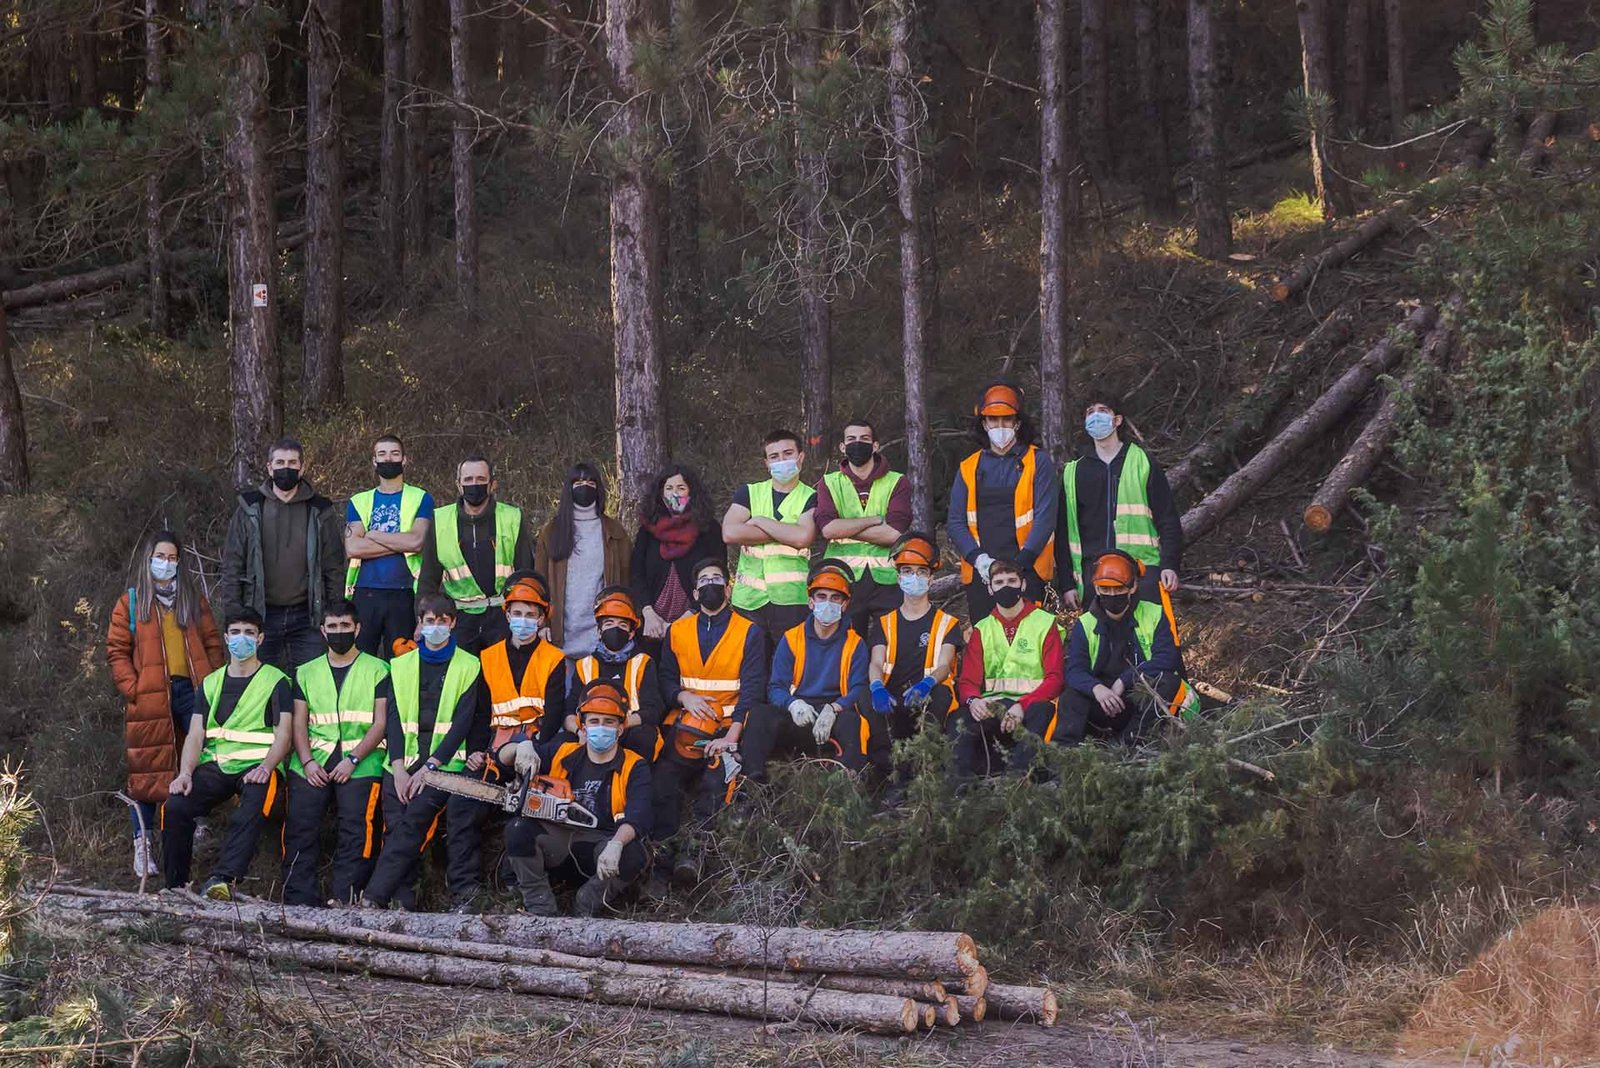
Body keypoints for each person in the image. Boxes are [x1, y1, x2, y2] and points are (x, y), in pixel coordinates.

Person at [106, 530, 224, 878]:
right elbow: (116, 652)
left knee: (199, 756)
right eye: (161, 556)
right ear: (149, 558)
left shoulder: (192, 599)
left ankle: (193, 821)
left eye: (173, 558)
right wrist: (135, 688)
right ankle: (142, 843)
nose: (166, 563)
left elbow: (213, 644)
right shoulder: (132, 602)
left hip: (192, 691)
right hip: (150, 695)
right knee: (147, 768)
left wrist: (212, 683)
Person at [361, 594, 489, 912]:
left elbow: (462, 723)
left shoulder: (469, 665)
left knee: (413, 821)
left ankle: (373, 896)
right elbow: (393, 720)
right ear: (419, 624)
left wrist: (429, 768)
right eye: (429, 621)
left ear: (453, 623)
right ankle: (403, 898)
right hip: (402, 763)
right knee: (396, 823)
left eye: (442, 621)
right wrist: (400, 767)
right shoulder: (400, 666)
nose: (435, 627)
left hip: (445, 765)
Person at [161, 608, 294, 899]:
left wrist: (268, 766)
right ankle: (174, 885)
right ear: (226, 637)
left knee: (253, 805)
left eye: (248, 633)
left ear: (260, 639)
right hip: (217, 764)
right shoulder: (210, 683)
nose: (241, 639)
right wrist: (185, 774)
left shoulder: (277, 681)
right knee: (175, 806)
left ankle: (223, 879)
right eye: (235, 633)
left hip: (259, 766)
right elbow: (196, 734)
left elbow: (284, 734)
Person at [651, 558, 766, 889]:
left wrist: (732, 736)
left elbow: (753, 690)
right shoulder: (677, 631)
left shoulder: (750, 632)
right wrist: (684, 698)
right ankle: (661, 863)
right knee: (663, 785)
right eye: (704, 579)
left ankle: (694, 855)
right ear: (695, 591)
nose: (711, 583)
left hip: (727, 728)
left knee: (717, 784)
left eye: (718, 578)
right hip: (683, 726)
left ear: (727, 588)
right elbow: (666, 679)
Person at [499, 681, 653, 916]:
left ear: (620, 728)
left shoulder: (634, 765)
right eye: (594, 721)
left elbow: (639, 816)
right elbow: (501, 758)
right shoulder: (563, 751)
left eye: (608, 722)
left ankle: (586, 904)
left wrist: (616, 844)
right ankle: (540, 908)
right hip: (558, 843)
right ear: (583, 726)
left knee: (633, 854)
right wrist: (522, 746)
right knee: (517, 829)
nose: (601, 727)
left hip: (601, 849)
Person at [281, 599, 391, 906]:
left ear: (357, 628)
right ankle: (298, 898)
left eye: (345, 626)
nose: (339, 631)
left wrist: (353, 759)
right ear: (322, 630)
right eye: (332, 626)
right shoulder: (305, 673)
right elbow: (298, 725)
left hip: (363, 761)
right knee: (301, 827)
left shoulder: (378, 669)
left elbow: (380, 723)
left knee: (357, 830)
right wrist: (307, 762)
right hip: (311, 760)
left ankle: (346, 897)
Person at [738, 564, 876, 782]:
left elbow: (858, 688)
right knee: (759, 715)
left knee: (854, 722)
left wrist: (835, 708)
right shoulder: (792, 638)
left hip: (832, 717)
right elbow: (776, 687)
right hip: (799, 715)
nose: (827, 603)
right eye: (821, 596)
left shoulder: (855, 644)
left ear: (845, 604)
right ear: (811, 602)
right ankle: (751, 782)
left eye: (835, 598)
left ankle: (848, 780)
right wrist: (793, 704)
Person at [220, 437, 345, 672]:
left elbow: (334, 566)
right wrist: (234, 612)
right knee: (258, 683)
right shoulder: (249, 508)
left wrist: (332, 611)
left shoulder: (320, 509)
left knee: (311, 684)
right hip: (260, 613)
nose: (285, 468)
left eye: (292, 462)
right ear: (269, 467)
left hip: (308, 616)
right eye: (279, 462)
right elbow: (232, 564)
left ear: (302, 467)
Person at [1056, 394, 1183, 609]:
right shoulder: (1074, 472)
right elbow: (1063, 532)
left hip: (1142, 572)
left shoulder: (1142, 462)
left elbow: (1168, 518)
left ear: (1117, 420)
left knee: (1148, 640)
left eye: (1103, 411)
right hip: (1093, 574)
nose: (1096, 416)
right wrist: (1067, 584)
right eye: (1090, 412)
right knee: (1099, 641)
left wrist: (1170, 564)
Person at [945, 383, 1058, 623]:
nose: (1000, 427)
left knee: (1030, 642)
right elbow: (955, 522)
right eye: (993, 421)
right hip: (982, 574)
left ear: (1017, 422)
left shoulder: (1038, 462)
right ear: (984, 424)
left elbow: (1045, 518)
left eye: (1006, 420)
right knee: (986, 643)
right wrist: (979, 560)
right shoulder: (968, 467)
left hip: (1028, 570)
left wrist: (1021, 564)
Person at [1063, 551, 1198, 745]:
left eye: (1118, 589)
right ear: (1096, 587)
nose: (1111, 595)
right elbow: (1075, 670)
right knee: (1071, 695)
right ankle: (1066, 753)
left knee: (1169, 683)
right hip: (1102, 700)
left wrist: (1123, 681)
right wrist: (1097, 689)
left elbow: (1168, 658)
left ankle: (1129, 744)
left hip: (1140, 698)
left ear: (1133, 586)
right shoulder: (1085, 623)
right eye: (1105, 589)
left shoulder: (1153, 613)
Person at [866, 534, 963, 801]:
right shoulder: (884, 623)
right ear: (898, 578)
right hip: (893, 696)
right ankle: (890, 780)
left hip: (928, 695)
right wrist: (876, 687)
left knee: (941, 696)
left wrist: (927, 683)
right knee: (868, 707)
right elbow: (876, 661)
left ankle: (924, 776)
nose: (914, 577)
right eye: (907, 571)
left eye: (921, 572)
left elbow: (944, 664)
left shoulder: (946, 623)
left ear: (931, 579)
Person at [951, 557, 1066, 776]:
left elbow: (1055, 678)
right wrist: (974, 700)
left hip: (1034, 703)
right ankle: (962, 785)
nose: (1006, 587)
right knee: (958, 720)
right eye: (999, 582)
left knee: (1042, 713)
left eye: (1012, 581)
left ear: (1022, 585)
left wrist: (1022, 705)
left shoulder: (1044, 623)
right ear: (990, 588)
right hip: (994, 704)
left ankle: (1020, 780)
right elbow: (968, 681)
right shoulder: (982, 629)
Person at [417, 454, 534, 654]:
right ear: (458, 485)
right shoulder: (440, 519)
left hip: (502, 617)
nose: (474, 485)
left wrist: (526, 618)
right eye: (468, 480)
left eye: (481, 479)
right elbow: (428, 576)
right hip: (458, 619)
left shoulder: (512, 517)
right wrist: (421, 619)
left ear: (492, 484)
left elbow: (525, 574)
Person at [724, 429, 817, 655]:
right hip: (748, 601)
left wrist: (760, 521)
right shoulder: (748, 492)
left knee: (789, 668)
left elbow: (803, 537)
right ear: (766, 463)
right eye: (774, 457)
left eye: (787, 454)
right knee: (750, 669)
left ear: (800, 457)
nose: (781, 461)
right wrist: (787, 532)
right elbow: (729, 532)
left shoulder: (812, 496)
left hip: (791, 600)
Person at [816, 420, 912, 635]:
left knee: (890, 645)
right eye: (851, 439)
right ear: (842, 447)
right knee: (846, 647)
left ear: (875, 446)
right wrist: (874, 520)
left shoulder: (897, 482)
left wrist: (845, 526)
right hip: (843, 579)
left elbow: (893, 534)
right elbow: (828, 530)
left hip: (888, 579)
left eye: (864, 439)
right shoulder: (829, 483)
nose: (857, 444)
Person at [344, 434, 435, 658]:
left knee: (404, 659)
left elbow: (416, 541)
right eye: (382, 454)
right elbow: (353, 548)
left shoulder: (421, 498)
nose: (388, 459)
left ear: (404, 460)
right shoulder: (359, 501)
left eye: (394, 453)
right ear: (374, 461)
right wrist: (399, 542)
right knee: (362, 660)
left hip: (404, 593)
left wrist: (373, 534)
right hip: (365, 592)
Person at [536, 463, 632, 658]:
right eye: (578, 482)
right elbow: (540, 583)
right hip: (559, 638)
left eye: (590, 482)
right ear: (569, 489)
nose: (585, 486)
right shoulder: (551, 532)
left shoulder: (614, 532)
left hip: (602, 641)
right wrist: (543, 623)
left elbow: (626, 582)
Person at [630, 463, 725, 658]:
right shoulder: (648, 529)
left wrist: (688, 616)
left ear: (692, 491)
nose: (675, 494)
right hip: (652, 627)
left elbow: (718, 573)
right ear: (660, 493)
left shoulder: (709, 529)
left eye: (681, 488)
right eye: (669, 488)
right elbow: (636, 572)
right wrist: (647, 613)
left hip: (696, 622)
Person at [478, 571, 568, 753]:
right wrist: (478, 750)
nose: (523, 619)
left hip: (537, 742)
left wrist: (538, 745)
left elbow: (554, 713)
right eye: (517, 613)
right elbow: (481, 712)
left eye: (530, 615)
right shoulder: (489, 657)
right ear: (508, 616)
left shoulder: (554, 658)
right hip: (496, 744)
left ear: (540, 619)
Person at [570, 587, 664, 758]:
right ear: (599, 632)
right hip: (590, 730)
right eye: (609, 624)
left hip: (629, 729)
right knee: (563, 744)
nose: (615, 629)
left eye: (622, 625)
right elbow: (568, 712)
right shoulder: (584, 665)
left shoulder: (644, 662)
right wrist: (580, 731)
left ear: (631, 633)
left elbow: (654, 710)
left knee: (643, 737)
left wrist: (617, 726)